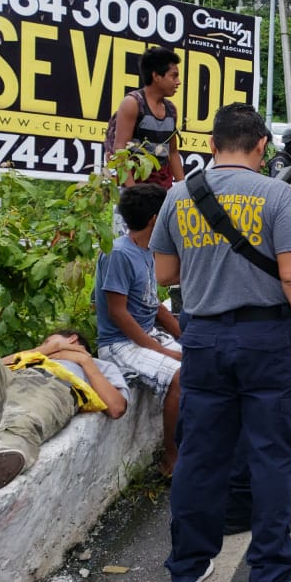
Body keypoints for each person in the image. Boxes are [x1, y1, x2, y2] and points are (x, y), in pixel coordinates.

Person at [150, 102, 291, 582]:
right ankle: (271, 570)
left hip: (204, 340)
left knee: (200, 454)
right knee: (271, 455)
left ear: (212, 145)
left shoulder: (179, 196)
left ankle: (187, 567)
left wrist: (207, 266)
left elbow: (165, 275)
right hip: (266, 342)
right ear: (261, 146)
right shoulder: (275, 193)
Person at [0, 299, 128, 504]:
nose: (43, 346)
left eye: (47, 341)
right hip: (2, 387)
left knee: (24, 418)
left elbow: (117, 407)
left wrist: (83, 360)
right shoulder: (33, 356)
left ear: (72, 339)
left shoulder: (98, 365)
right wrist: (43, 351)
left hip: (49, 387)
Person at [94, 184, 182, 477]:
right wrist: (161, 350)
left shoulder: (147, 251)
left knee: (206, 358)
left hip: (145, 336)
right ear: (156, 220)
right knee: (179, 376)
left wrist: (185, 336)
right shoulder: (119, 253)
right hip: (119, 344)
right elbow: (118, 313)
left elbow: (155, 305)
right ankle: (171, 458)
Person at [107, 47, 185, 188]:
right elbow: (120, 149)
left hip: (161, 188)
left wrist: (183, 189)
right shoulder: (133, 103)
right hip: (135, 186)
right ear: (156, 77)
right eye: (174, 76)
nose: (178, 82)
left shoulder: (171, 110)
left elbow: (172, 152)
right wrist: (133, 194)